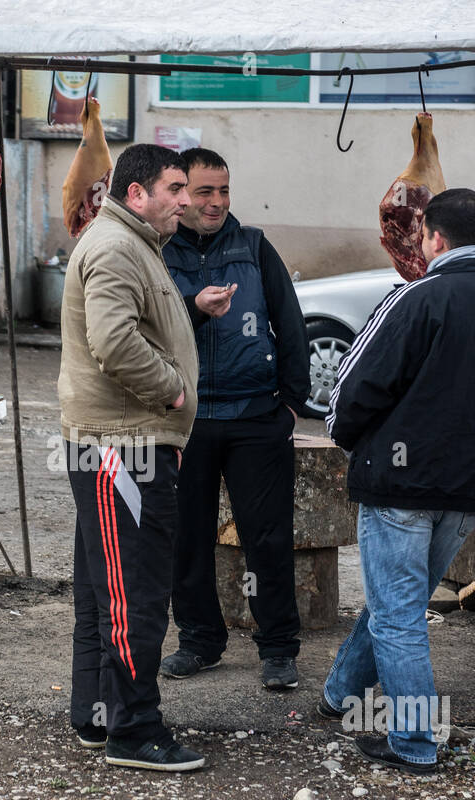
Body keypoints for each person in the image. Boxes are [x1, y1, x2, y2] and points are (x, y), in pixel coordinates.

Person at [320, 188, 475, 774]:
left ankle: (414, 742)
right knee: (401, 601)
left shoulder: (417, 298)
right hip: (470, 490)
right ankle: (342, 694)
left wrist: (348, 438)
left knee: (397, 613)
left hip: (401, 485)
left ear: (434, 238)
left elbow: (352, 390)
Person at [57, 143, 205, 772]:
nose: (186, 201)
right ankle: (134, 730)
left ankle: (96, 715)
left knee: (103, 590)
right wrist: (172, 389)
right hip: (124, 446)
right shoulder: (117, 246)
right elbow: (114, 340)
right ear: (138, 192)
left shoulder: (132, 244)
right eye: (175, 188)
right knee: (133, 594)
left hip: (123, 443)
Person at [158, 148, 310, 690]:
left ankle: (278, 649)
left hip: (255, 415)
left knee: (267, 537)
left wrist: (291, 403)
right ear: (181, 194)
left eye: (224, 191)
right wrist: (195, 306)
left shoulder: (253, 246)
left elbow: (291, 325)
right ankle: (199, 641)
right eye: (205, 192)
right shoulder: (158, 249)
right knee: (188, 537)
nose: (217, 202)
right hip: (187, 416)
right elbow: (149, 329)